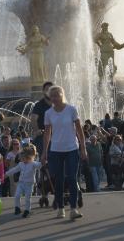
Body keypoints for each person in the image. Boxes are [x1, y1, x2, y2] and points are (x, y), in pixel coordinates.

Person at [41, 85, 87, 220]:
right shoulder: (48, 113)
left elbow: (79, 130)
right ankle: (60, 208)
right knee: (58, 180)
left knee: (72, 178)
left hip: (72, 148)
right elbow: (47, 134)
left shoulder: (71, 110)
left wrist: (83, 148)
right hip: (56, 150)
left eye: (56, 95)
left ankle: (73, 209)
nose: (54, 98)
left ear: (62, 95)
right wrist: (44, 152)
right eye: (52, 96)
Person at [5, 144, 42, 218]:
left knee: (27, 198)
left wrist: (44, 162)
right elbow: (14, 169)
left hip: (29, 184)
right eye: (21, 158)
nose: (22, 159)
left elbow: (40, 165)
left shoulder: (33, 164)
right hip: (21, 183)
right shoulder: (20, 164)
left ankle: (27, 210)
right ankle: (17, 208)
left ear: (29, 157)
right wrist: (6, 174)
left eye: (23, 158)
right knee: (17, 195)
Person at [30, 81, 53, 155]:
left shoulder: (57, 104)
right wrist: (37, 130)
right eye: (47, 89)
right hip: (43, 135)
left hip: (56, 136)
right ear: (43, 91)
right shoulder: (39, 105)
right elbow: (33, 119)